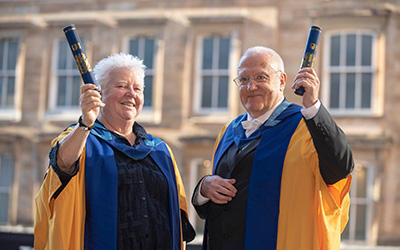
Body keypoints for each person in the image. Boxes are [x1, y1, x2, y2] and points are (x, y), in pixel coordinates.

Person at [192, 46, 354, 250]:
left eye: (261, 77)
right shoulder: (228, 131)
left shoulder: (305, 128)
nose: (251, 87)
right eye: (243, 79)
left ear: (282, 81)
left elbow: (340, 168)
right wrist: (204, 188)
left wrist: (313, 106)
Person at [34, 52, 195, 250]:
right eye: (121, 86)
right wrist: (85, 123)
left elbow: (177, 219)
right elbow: (62, 164)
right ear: (99, 93)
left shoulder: (160, 151)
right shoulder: (82, 140)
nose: (131, 94)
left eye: (137, 88)